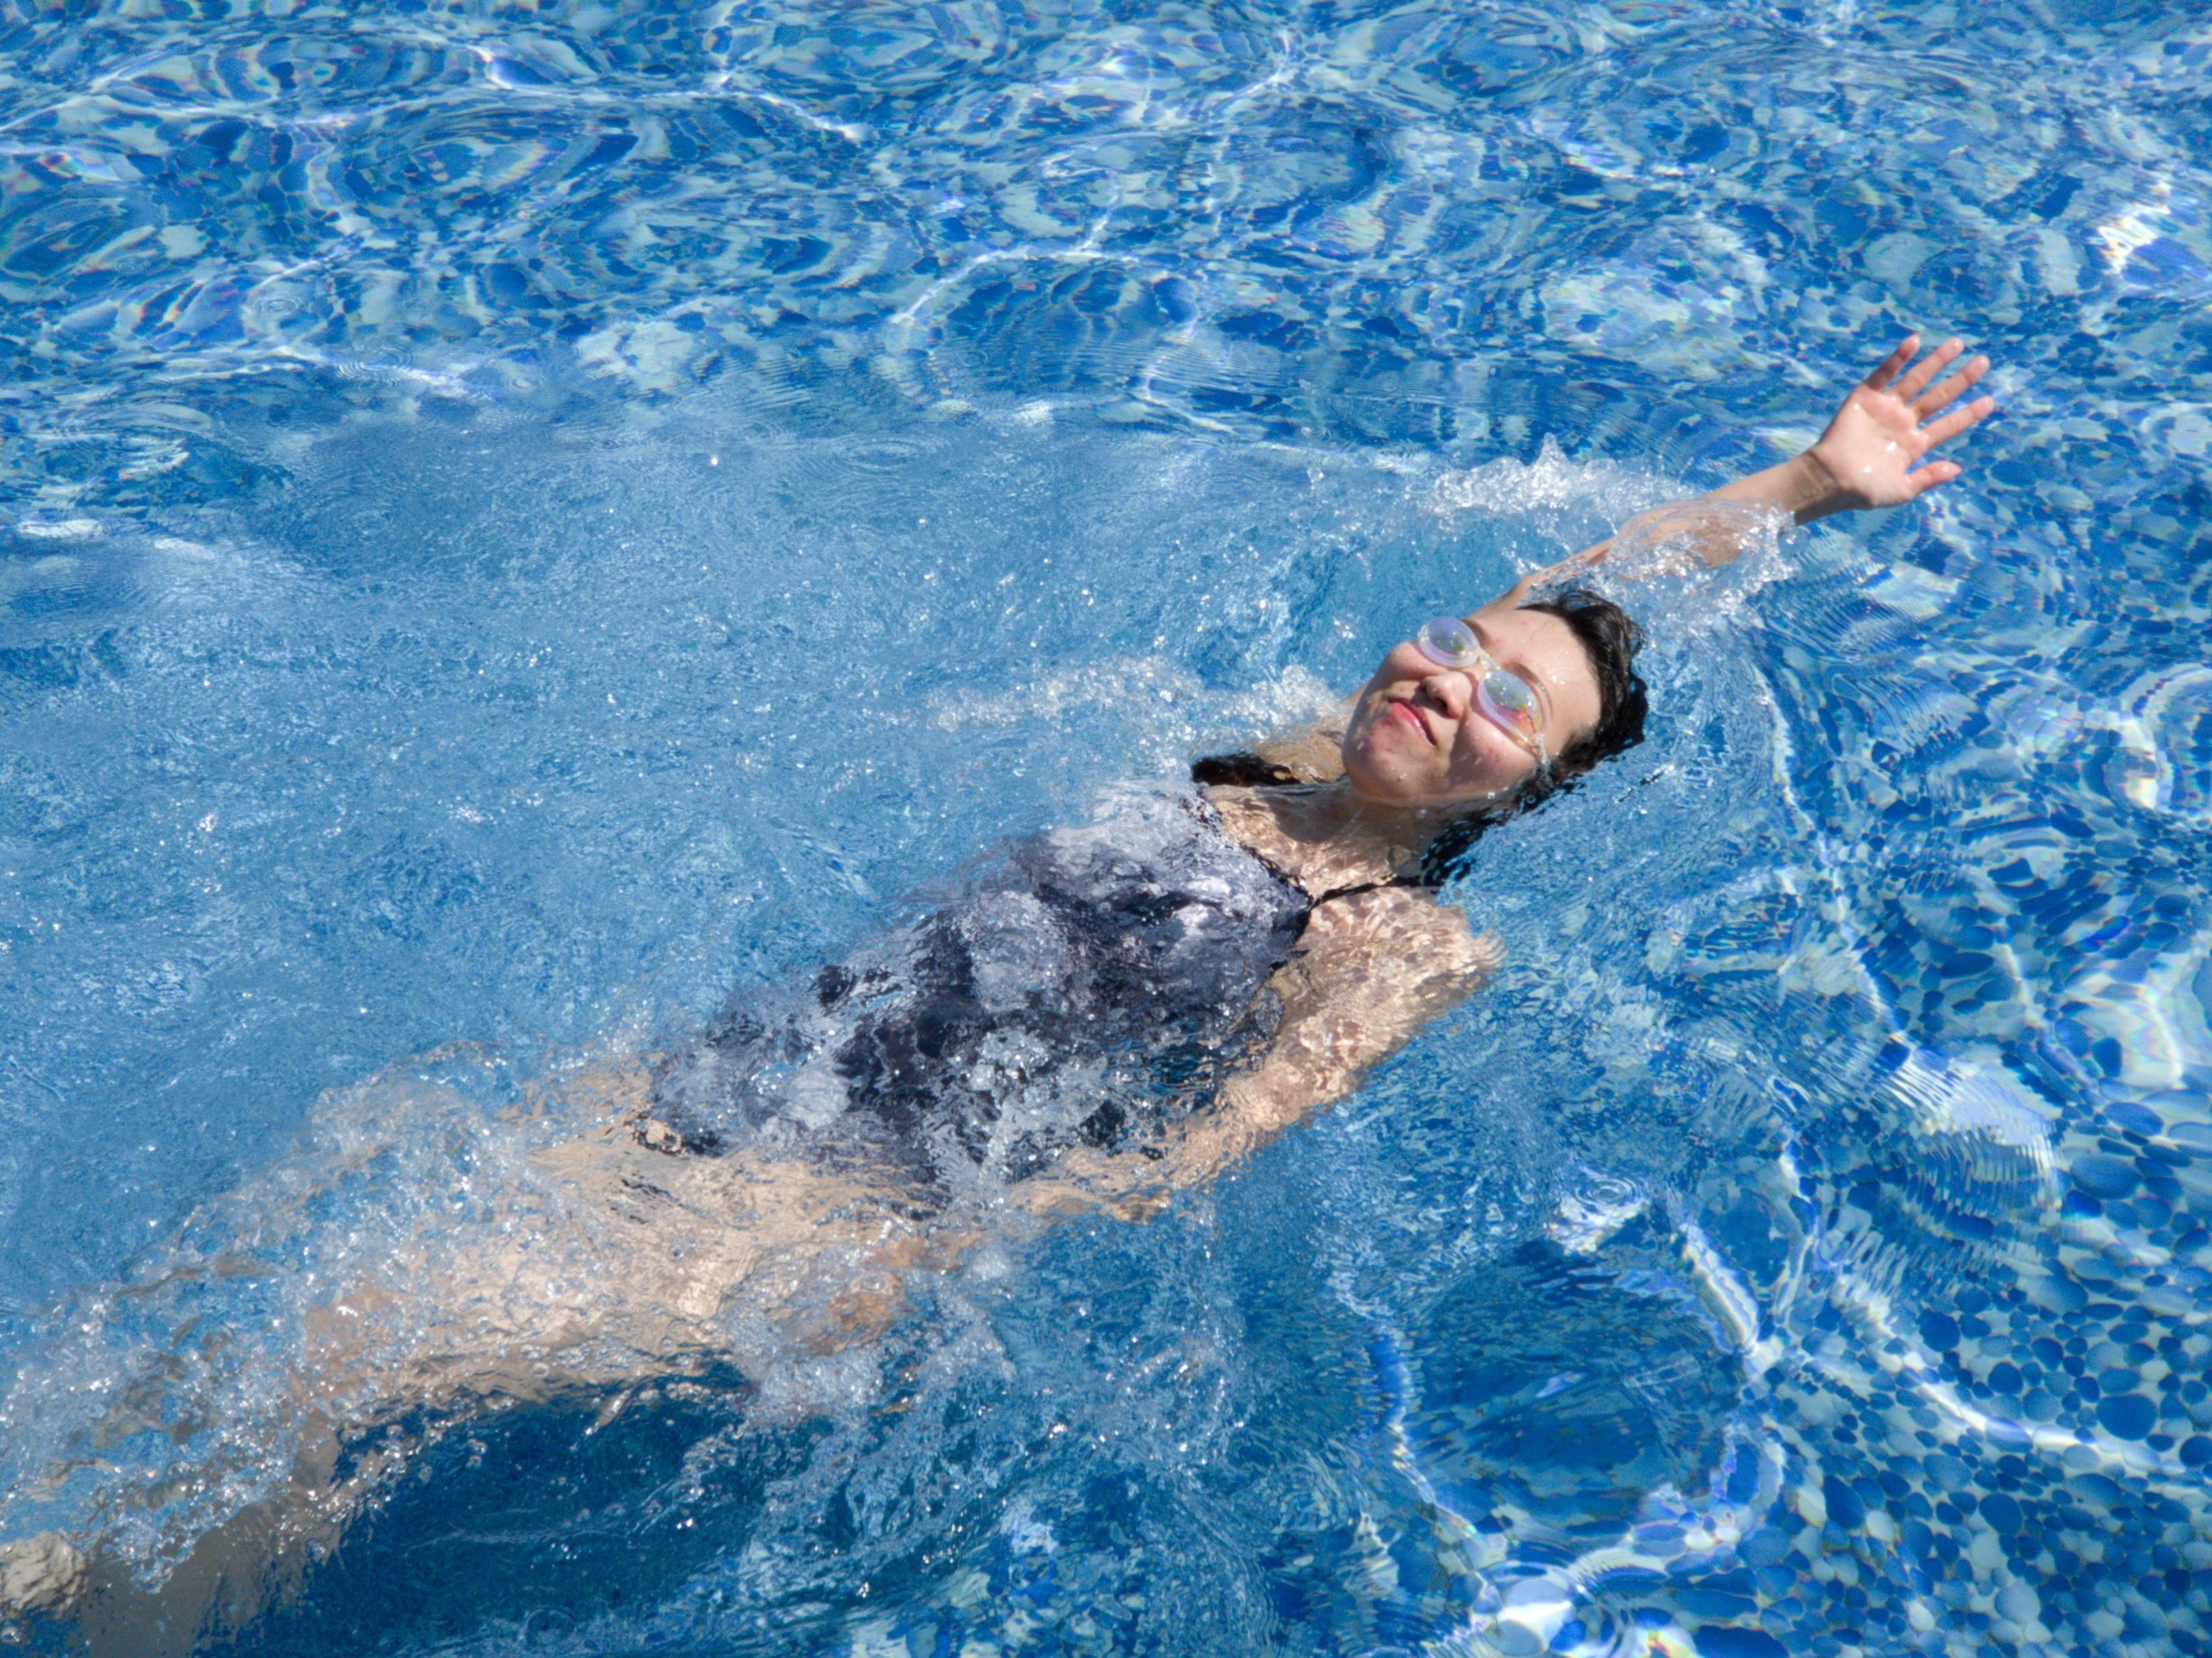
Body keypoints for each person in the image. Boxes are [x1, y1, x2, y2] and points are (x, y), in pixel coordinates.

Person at [0, 334, 1994, 1645]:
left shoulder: (1406, 942)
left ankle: (118, 1616)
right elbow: (1595, 576)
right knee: (272, 1225)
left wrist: (932, 1249)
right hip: (718, 1071)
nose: (1450, 679)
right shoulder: (1283, 757)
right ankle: (49, 1526)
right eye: (1455, 643)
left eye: (1504, 706)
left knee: (356, 1371)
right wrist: (1801, 493)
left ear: (1531, 786)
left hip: (813, 1194)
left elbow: (1196, 1159)